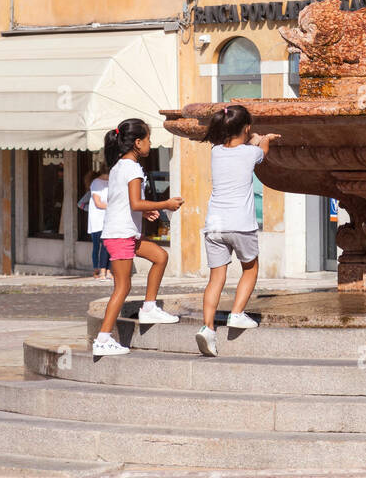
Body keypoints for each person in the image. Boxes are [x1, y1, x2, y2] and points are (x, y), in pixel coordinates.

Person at [92, 119, 184, 357]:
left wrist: (145, 209)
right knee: (122, 287)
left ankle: (150, 307)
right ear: (137, 142)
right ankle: (103, 338)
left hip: (124, 233)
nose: (151, 145)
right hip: (121, 234)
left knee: (160, 256)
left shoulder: (119, 166)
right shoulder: (132, 168)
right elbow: (134, 202)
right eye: (149, 140)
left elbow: (124, 202)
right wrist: (166, 204)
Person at [195, 104, 281, 356]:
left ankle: (208, 328)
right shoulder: (249, 154)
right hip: (240, 225)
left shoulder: (216, 152)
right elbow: (261, 151)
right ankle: (237, 314)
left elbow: (248, 144)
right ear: (246, 128)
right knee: (250, 268)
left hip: (214, 226)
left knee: (216, 278)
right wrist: (264, 139)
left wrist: (252, 137)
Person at [87, 166, 110, 279]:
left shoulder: (112, 182)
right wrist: (114, 207)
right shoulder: (96, 183)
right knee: (98, 246)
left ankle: (107, 270)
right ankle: (97, 269)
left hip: (109, 218)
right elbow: (98, 203)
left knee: (108, 245)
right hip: (97, 219)